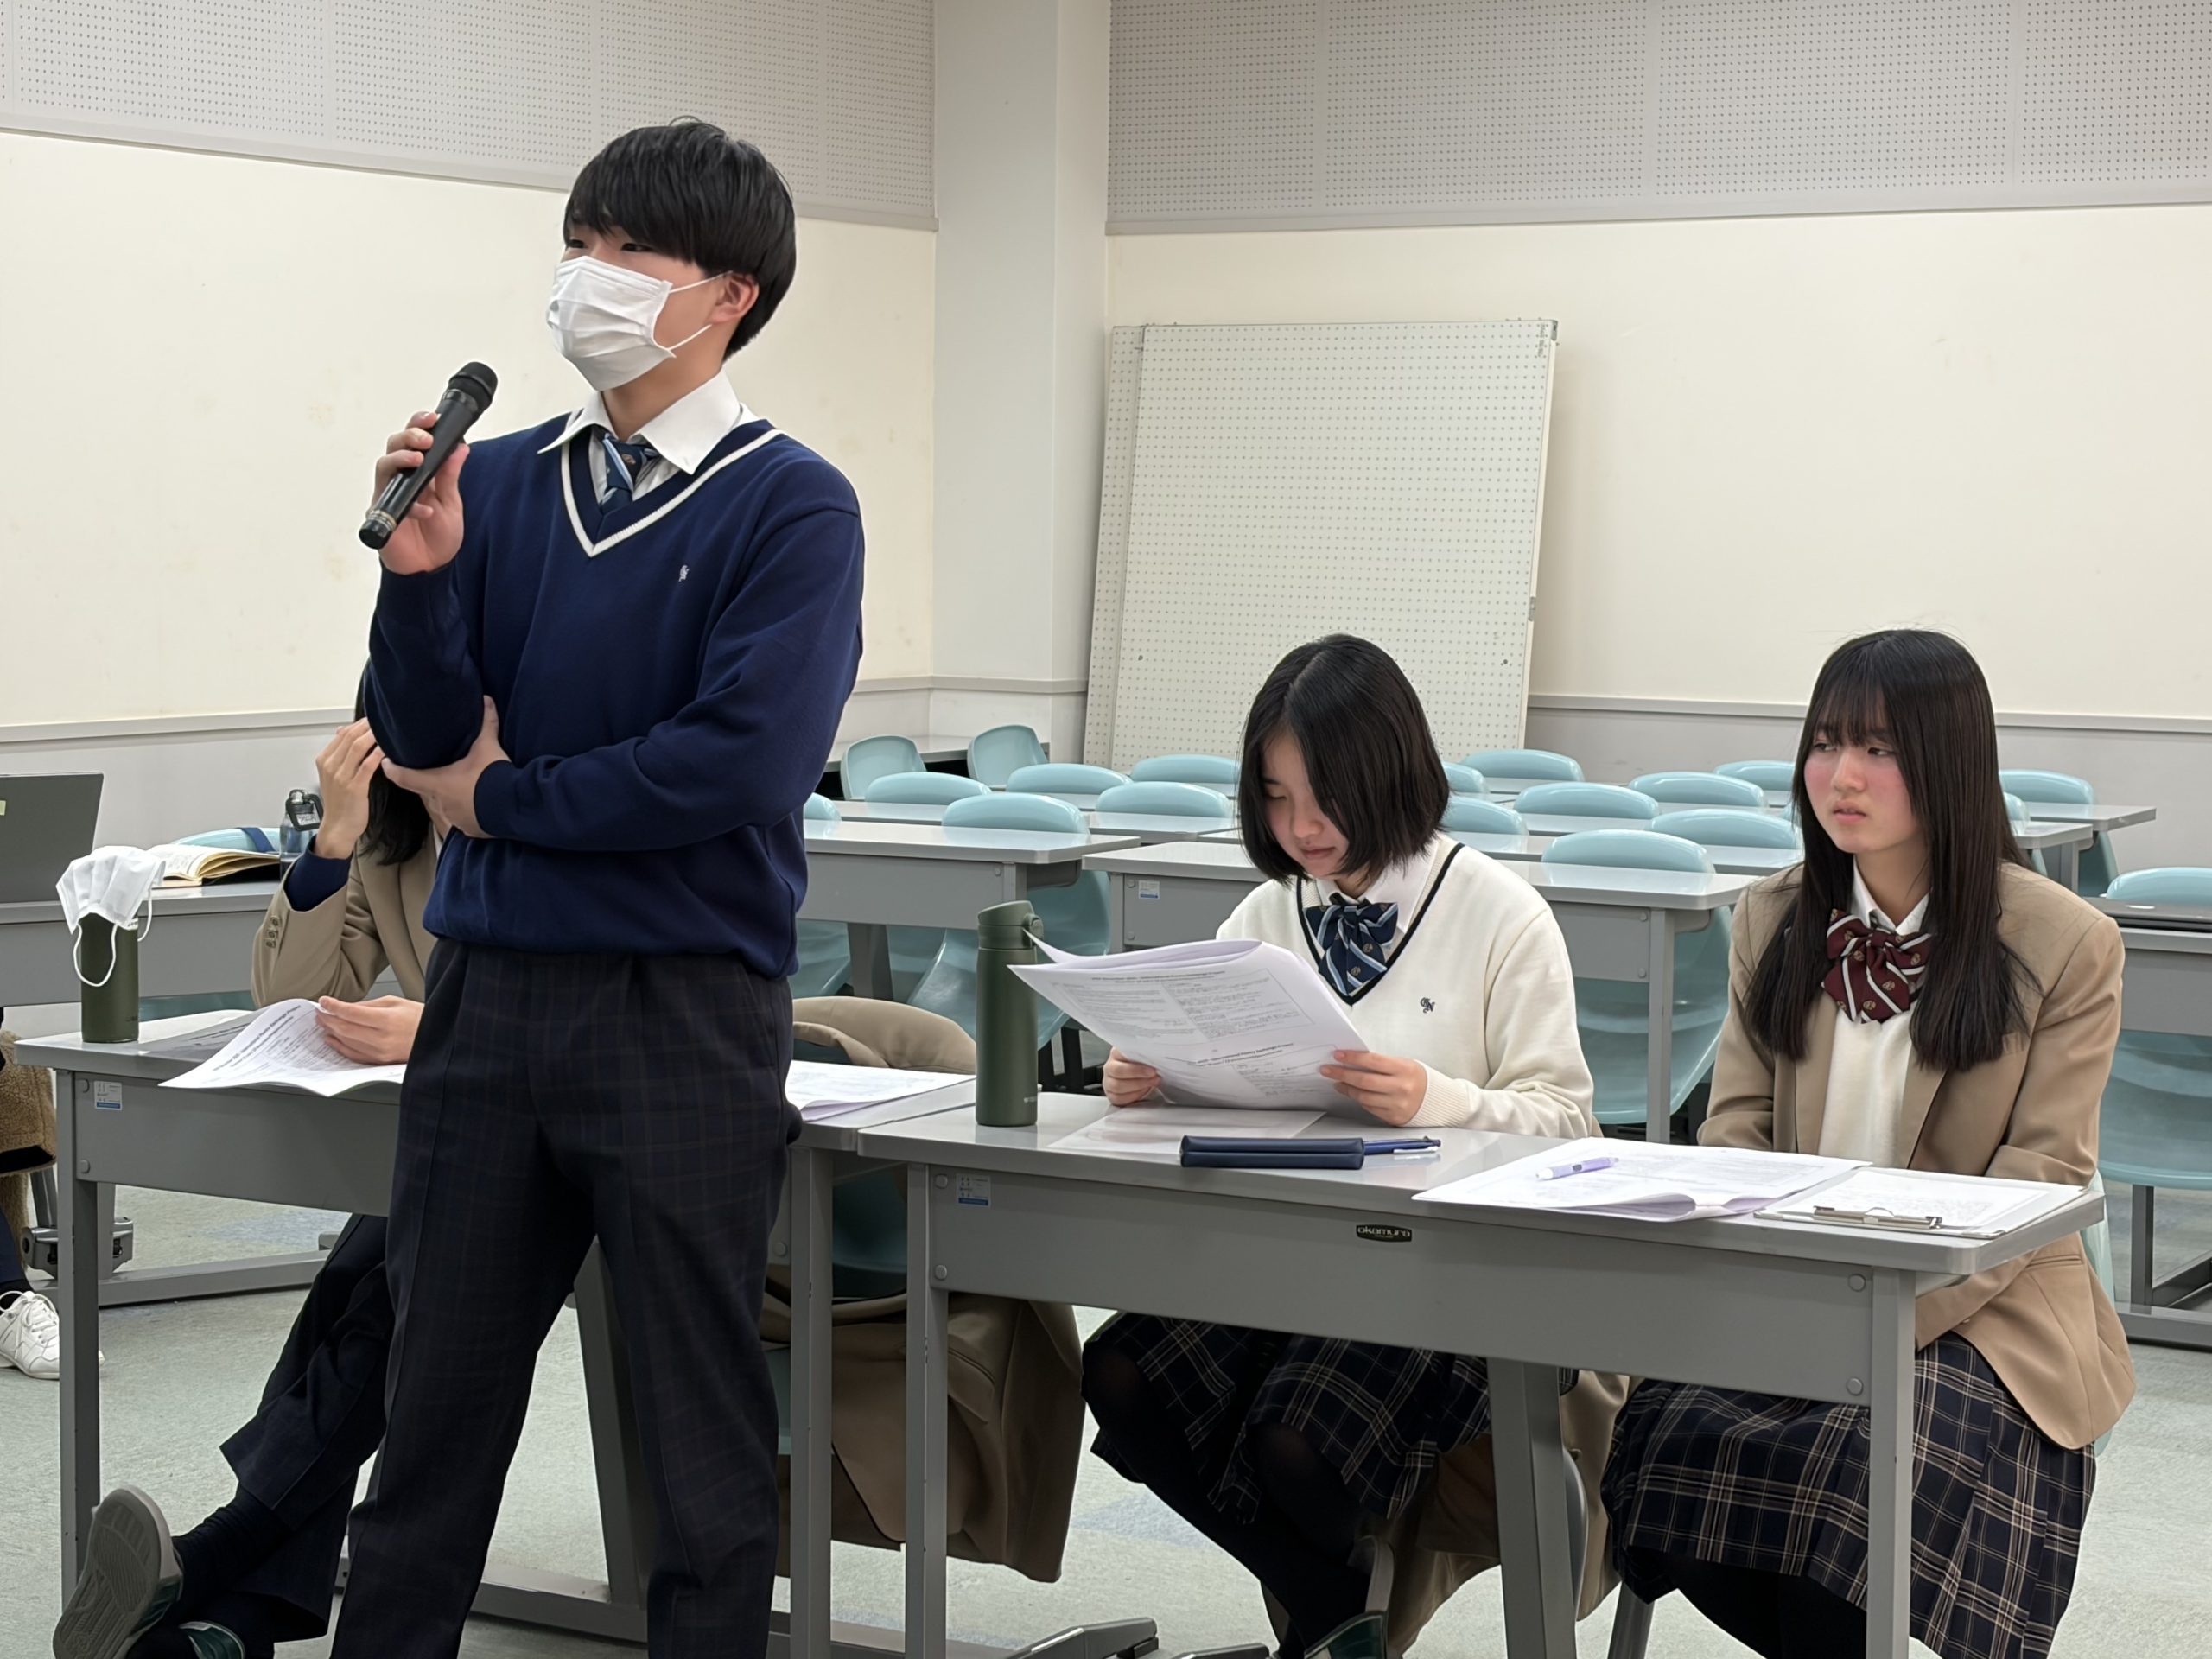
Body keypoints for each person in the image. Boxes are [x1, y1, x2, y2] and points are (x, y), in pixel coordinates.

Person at [335, 118, 852, 1659]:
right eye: (580, 243)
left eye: (632, 252)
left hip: (680, 1014)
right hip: (485, 998)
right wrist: (421, 578)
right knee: (431, 1424)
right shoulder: (493, 483)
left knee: (697, 1444)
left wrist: (505, 799)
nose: (591, 276)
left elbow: (733, 766)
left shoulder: (792, 505)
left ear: (729, 296)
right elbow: (420, 732)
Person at [1601, 629, 2135, 1659]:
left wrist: (1883, 1313)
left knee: (1864, 1471)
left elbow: (2041, 1177)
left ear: (1948, 760)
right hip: (1793, 1288)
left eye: (1878, 750)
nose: (1840, 777)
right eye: (1824, 743)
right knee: (1667, 1444)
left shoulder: (2064, 940)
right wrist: (1790, 1299)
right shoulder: (1772, 915)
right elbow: (1735, 1132)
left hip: (1982, 1309)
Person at [1082, 634, 1604, 1655]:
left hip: (1439, 1271)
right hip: (1270, 1251)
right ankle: (1333, 1608)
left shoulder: (1499, 913)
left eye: (1324, 798)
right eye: (1275, 798)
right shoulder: (1267, 912)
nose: (1301, 828)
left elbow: (1569, 1121)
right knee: (1121, 1375)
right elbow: (1221, 1087)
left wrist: (1437, 1098)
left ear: (1391, 774)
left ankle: (1327, 1619)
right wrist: (1148, 1079)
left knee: (1295, 1438)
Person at [54, 692, 442, 1659]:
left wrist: (442, 1026)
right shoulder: (396, 844)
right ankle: (237, 1622)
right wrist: (336, 840)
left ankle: (213, 1561)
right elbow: (290, 996)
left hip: (564, 1142)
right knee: (346, 1300)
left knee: (385, 1302)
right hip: (446, 1146)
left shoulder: (540, 828)